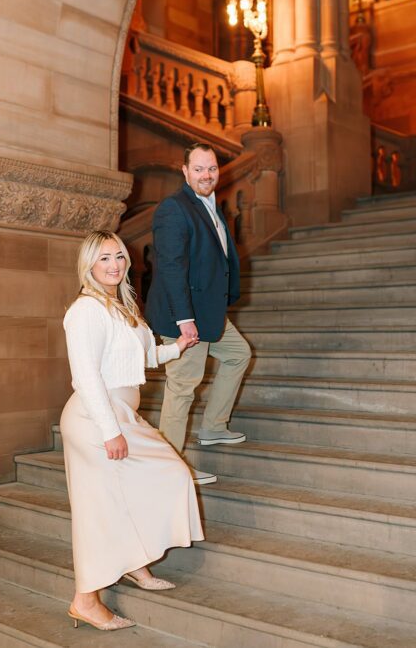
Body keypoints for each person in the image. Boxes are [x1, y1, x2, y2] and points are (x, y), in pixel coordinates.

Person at [61, 231, 203, 631]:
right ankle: (85, 600)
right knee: (101, 508)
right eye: (104, 258)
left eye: (119, 256)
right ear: (89, 264)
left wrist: (177, 348)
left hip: (118, 414)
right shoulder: (86, 310)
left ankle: (134, 564)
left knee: (149, 485)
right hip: (95, 419)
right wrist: (111, 431)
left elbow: (140, 358)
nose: (114, 264)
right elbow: (87, 376)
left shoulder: (121, 305)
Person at [145, 143, 252, 485]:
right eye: (199, 169)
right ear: (185, 171)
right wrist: (184, 321)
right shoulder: (174, 209)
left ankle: (213, 426)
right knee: (182, 388)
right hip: (185, 316)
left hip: (208, 311)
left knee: (238, 355)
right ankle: (171, 468)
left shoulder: (211, 206)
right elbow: (171, 267)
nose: (207, 175)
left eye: (212, 169)